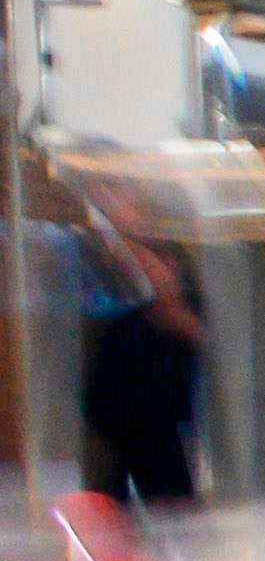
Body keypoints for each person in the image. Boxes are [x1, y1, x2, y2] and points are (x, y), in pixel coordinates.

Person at [67, 189, 204, 510]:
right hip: (116, 413)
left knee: (170, 498)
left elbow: (182, 316)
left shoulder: (164, 262)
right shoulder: (99, 262)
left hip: (159, 415)